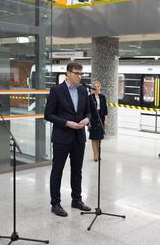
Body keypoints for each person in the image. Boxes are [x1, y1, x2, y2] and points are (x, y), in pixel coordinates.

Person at [44, 62, 92, 217]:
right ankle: (55, 203)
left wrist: (87, 119)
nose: (80, 76)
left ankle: (76, 200)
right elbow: (48, 114)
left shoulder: (83, 91)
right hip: (62, 137)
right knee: (57, 170)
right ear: (68, 73)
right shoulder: (56, 90)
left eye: (81, 73)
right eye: (77, 73)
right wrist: (66, 123)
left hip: (79, 137)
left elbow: (89, 112)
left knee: (77, 170)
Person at [88, 81, 108, 162]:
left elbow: (105, 109)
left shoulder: (103, 97)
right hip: (93, 118)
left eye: (98, 86)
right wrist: (88, 121)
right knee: (93, 138)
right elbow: (88, 109)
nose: (96, 88)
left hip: (101, 118)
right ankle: (95, 155)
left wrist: (105, 120)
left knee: (99, 138)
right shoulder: (90, 97)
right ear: (93, 88)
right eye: (95, 87)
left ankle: (98, 153)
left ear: (100, 87)